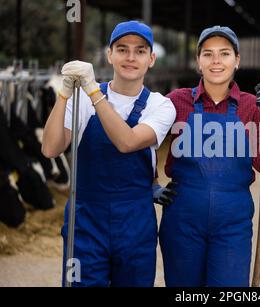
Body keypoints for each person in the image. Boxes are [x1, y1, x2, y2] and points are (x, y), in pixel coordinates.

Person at [41, 20, 176, 287]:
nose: (130, 57)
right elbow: (50, 148)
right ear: (109, 55)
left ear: (151, 59)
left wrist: (93, 93)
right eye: (122, 49)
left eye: (139, 51)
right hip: (85, 223)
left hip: (135, 224)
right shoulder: (80, 100)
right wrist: (65, 94)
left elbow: (127, 142)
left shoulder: (160, 105)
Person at [155, 25, 260, 287]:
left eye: (224, 54)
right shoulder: (176, 101)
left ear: (237, 61)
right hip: (182, 220)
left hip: (232, 223)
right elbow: (143, 140)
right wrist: (150, 182)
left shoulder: (251, 106)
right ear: (198, 62)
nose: (216, 61)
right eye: (208, 54)